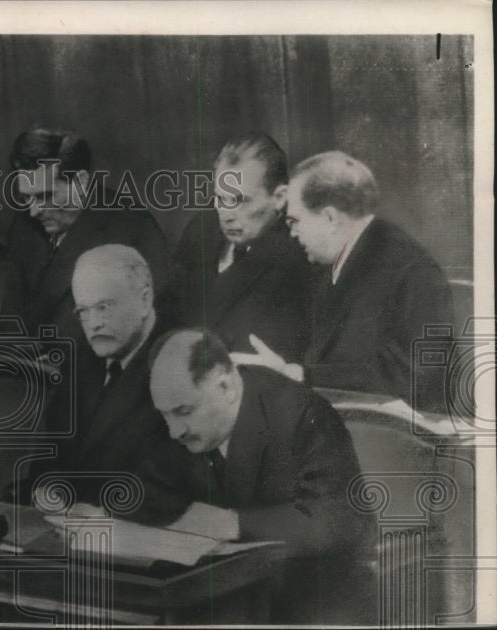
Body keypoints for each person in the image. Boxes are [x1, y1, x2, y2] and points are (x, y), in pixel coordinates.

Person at [147, 328, 373, 624]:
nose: (175, 431)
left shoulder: (301, 413)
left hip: (314, 600)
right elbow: (155, 485)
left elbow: (337, 519)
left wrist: (232, 523)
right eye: (166, 416)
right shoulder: (183, 424)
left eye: (184, 411)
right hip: (219, 595)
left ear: (225, 386)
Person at [234, 151, 453, 411]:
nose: (292, 233)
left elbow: (418, 379)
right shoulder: (334, 264)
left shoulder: (411, 269)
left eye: (296, 221)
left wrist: (299, 374)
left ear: (329, 218)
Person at [26, 245, 189, 520]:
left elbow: (179, 484)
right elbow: (48, 457)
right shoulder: (80, 357)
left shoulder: (182, 359)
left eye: (104, 307)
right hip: (66, 531)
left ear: (145, 300)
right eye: (83, 312)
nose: (93, 324)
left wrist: (103, 513)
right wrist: (45, 494)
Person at [0, 127, 177, 346]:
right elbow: (9, 325)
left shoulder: (133, 228)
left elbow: (155, 334)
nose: (33, 211)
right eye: (26, 198)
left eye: (45, 196)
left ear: (81, 182)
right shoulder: (24, 227)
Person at [173, 133, 311, 361]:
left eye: (241, 200)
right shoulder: (201, 231)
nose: (227, 215)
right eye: (220, 199)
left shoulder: (301, 251)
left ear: (279, 197)